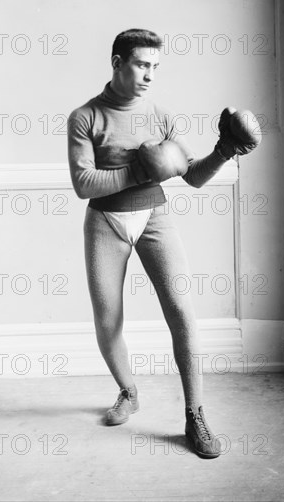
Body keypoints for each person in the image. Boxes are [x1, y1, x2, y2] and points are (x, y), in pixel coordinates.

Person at [67, 28, 261, 459]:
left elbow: (189, 174)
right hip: (105, 221)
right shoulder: (85, 117)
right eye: (141, 64)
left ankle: (195, 415)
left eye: (155, 67)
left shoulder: (160, 113)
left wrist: (224, 150)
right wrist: (141, 169)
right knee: (108, 319)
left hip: (153, 216)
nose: (150, 75)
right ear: (117, 63)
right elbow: (84, 183)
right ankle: (128, 391)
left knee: (181, 311)